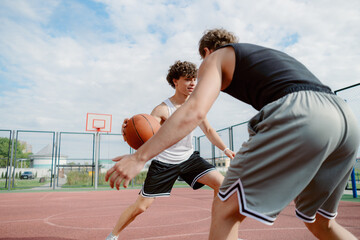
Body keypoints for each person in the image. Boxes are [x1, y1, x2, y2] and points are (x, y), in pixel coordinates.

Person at [105, 28, 360, 240]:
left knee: (226, 207)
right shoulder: (262, 54)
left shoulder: (215, 57)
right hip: (344, 118)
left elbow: (194, 112)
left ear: (206, 52)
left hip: (302, 113)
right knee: (320, 223)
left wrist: (138, 158)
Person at [105, 60, 235, 240]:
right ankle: (113, 236)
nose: (192, 84)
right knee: (141, 207)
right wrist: (129, 134)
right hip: (165, 163)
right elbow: (147, 134)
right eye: (187, 79)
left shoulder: (196, 105)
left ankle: (222, 234)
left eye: (194, 79)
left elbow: (209, 130)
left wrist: (226, 149)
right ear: (175, 81)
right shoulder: (162, 109)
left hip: (189, 159)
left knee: (223, 185)